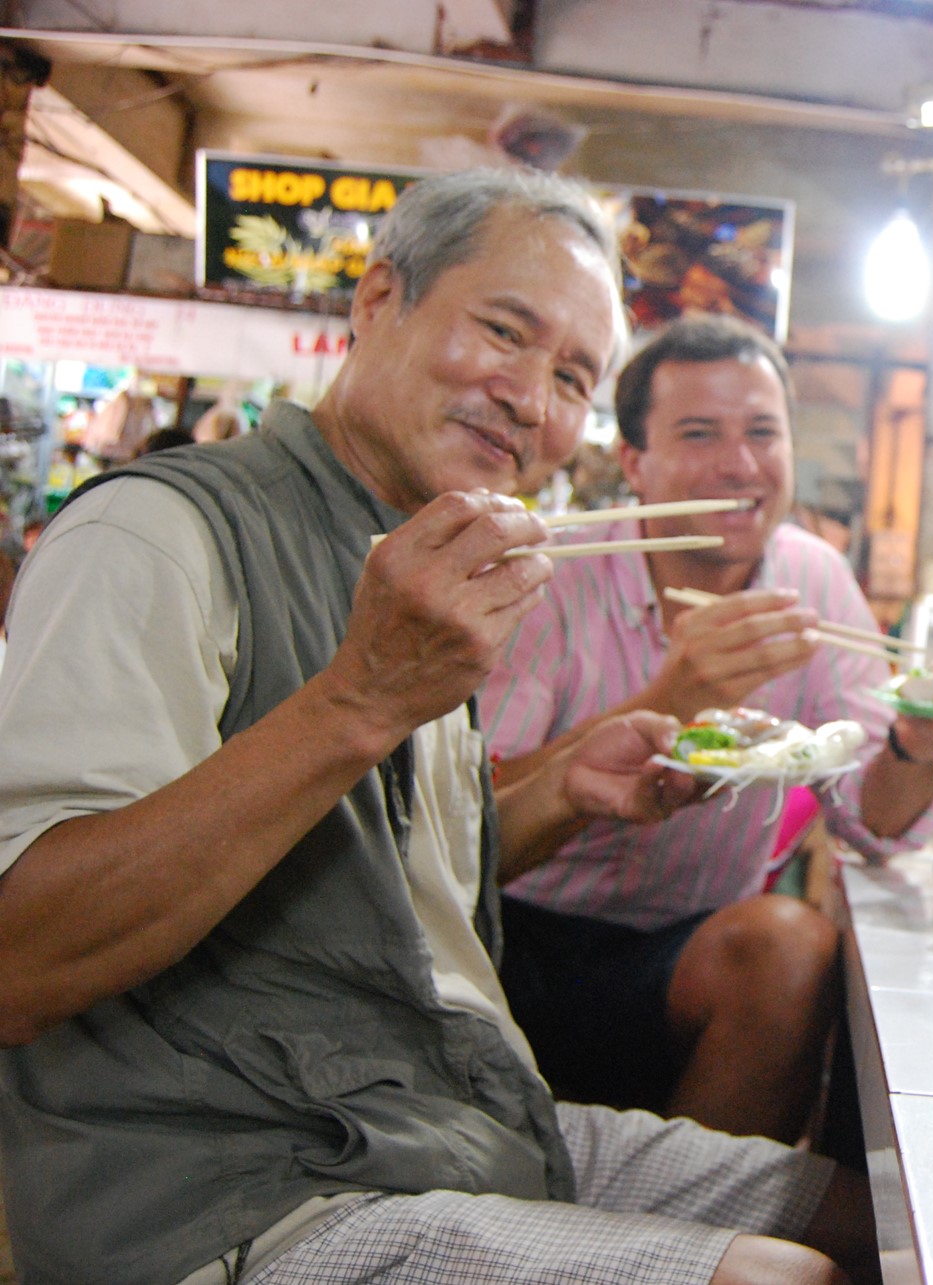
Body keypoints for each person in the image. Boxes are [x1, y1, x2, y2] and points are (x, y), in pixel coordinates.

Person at [0, 169, 876, 1285]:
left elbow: (382, 885)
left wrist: (564, 787)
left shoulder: (431, 556)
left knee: (881, 1218)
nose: (528, 396)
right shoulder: (159, 533)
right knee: (783, 1279)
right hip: (247, 1184)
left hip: (450, 1113)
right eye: (504, 332)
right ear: (376, 302)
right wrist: (358, 700)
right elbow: (20, 958)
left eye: (570, 376)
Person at [483, 314, 933, 1144]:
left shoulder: (812, 579)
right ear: (636, 462)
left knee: (794, 945)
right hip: (515, 934)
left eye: (763, 432)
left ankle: (690, 1245)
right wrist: (672, 694)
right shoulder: (558, 579)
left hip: (688, 948)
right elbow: (473, 820)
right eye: (699, 433)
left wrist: (912, 745)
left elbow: (874, 819)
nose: (741, 464)